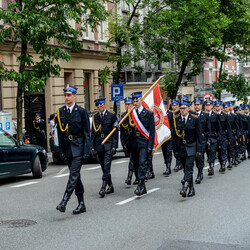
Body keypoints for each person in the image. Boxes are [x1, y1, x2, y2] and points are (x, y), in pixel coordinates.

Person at [56, 84, 90, 215]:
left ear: (75, 96)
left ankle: (64, 201)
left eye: (69, 95)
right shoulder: (61, 112)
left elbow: (87, 132)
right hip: (68, 147)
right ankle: (81, 203)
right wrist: (61, 151)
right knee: (76, 177)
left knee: (73, 175)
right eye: (65, 95)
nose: (66, 97)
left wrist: (87, 150)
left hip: (78, 147)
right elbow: (60, 133)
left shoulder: (81, 112)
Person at [125, 91, 155, 196]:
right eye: (134, 101)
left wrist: (150, 146)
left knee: (142, 163)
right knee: (136, 164)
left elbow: (152, 132)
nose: (135, 102)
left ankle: (140, 185)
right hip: (133, 144)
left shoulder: (148, 113)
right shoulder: (130, 113)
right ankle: (142, 185)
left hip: (144, 142)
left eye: (137, 100)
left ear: (141, 100)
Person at [172, 98, 202, 197]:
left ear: (188, 108)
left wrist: (199, 150)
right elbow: (174, 136)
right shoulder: (176, 119)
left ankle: (185, 187)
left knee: (189, 167)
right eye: (180, 108)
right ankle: (192, 189)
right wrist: (175, 150)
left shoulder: (195, 118)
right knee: (186, 169)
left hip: (191, 146)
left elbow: (198, 136)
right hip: (181, 147)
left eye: (184, 108)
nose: (182, 110)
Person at [91, 98, 118, 198]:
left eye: (101, 105)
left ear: (105, 105)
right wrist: (92, 146)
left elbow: (115, 132)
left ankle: (103, 187)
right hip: (99, 144)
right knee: (103, 166)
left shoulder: (111, 116)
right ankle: (110, 185)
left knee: (106, 165)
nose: (100, 107)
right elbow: (93, 133)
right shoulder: (95, 117)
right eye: (98, 106)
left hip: (108, 144)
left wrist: (115, 146)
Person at [120, 97, 137, 185]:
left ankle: (130, 177)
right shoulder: (123, 116)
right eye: (126, 104)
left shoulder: (136, 114)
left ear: (132, 104)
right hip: (128, 141)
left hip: (136, 141)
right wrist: (123, 144)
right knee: (133, 159)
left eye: (129, 104)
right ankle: (135, 177)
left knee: (133, 160)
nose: (127, 106)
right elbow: (122, 132)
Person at [193, 98, 211, 183]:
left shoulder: (205, 115)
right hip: (194, 139)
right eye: (195, 105)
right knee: (195, 157)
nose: (196, 106)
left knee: (200, 156)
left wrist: (208, 140)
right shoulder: (192, 115)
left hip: (202, 138)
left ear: (201, 105)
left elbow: (208, 129)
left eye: (198, 105)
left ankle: (200, 173)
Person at [204, 100, 222, 175]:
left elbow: (219, 128)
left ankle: (211, 167)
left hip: (213, 136)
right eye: (206, 105)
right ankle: (210, 164)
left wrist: (219, 138)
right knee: (207, 152)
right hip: (204, 137)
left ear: (212, 106)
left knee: (212, 151)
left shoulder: (216, 115)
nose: (208, 106)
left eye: (209, 105)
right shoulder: (202, 115)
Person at [161, 100, 173, 177]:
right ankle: (166, 165)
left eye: (164, 105)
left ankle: (168, 167)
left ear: (166, 105)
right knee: (164, 152)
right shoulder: (159, 115)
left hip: (169, 136)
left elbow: (172, 125)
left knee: (168, 152)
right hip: (162, 137)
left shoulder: (170, 114)